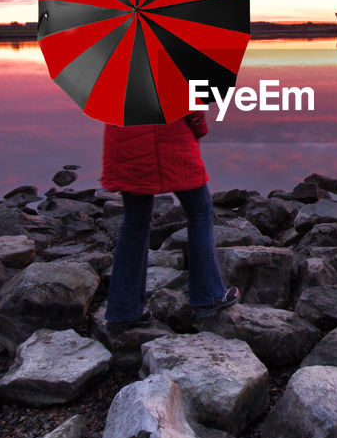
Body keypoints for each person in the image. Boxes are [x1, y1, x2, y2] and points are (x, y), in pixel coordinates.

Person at [101, 110, 237, 330]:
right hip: (171, 143)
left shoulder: (118, 77)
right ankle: (208, 295)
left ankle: (123, 312)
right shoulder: (173, 74)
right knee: (200, 212)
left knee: (135, 222)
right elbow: (192, 108)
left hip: (126, 147)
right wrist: (200, 127)